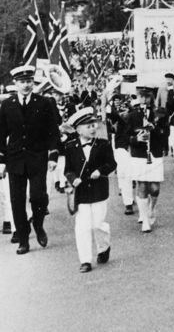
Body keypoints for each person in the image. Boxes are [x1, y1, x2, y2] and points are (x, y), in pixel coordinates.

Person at [0, 65, 62, 254]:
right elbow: (0, 134)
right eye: (22, 82)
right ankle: (23, 240)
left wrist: (53, 155)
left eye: (29, 81)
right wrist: (0, 161)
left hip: (37, 158)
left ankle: (39, 225)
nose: (26, 85)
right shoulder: (8, 105)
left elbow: (52, 131)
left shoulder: (44, 103)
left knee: (38, 196)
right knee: (17, 201)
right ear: (15, 83)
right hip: (15, 160)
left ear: (33, 82)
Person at [64, 108, 117, 273]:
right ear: (78, 130)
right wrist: (73, 179)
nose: (93, 128)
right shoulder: (70, 147)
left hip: (99, 191)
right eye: (88, 126)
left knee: (97, 224)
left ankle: (104, 247)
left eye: (94, 125)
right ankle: (85, 260)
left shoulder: (103, 144)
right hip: (82, 192)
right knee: (83, 226)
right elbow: (68, 170)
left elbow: (112, 164)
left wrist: (100, 171)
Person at [127, 86, 168, 233]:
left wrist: (155, 127)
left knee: (155, 189)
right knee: (142, 186)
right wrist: (135, 138)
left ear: (151, 97)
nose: (144, 100)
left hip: (154, 153)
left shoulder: (160, 113)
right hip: (138, 154)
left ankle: (151, 208)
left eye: (147, 97)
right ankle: (144, 219)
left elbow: (165, 133)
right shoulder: (131, 115)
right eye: (141, 96)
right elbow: (124, 137)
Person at [105, 94, 135, 215]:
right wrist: (105, 99)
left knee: (130, 175)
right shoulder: (118, 116)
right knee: (124, 174)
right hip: (121, 145)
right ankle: (128, 202)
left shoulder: (134, 113)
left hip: (135, 146)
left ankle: (131, 197)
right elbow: (110, 114)